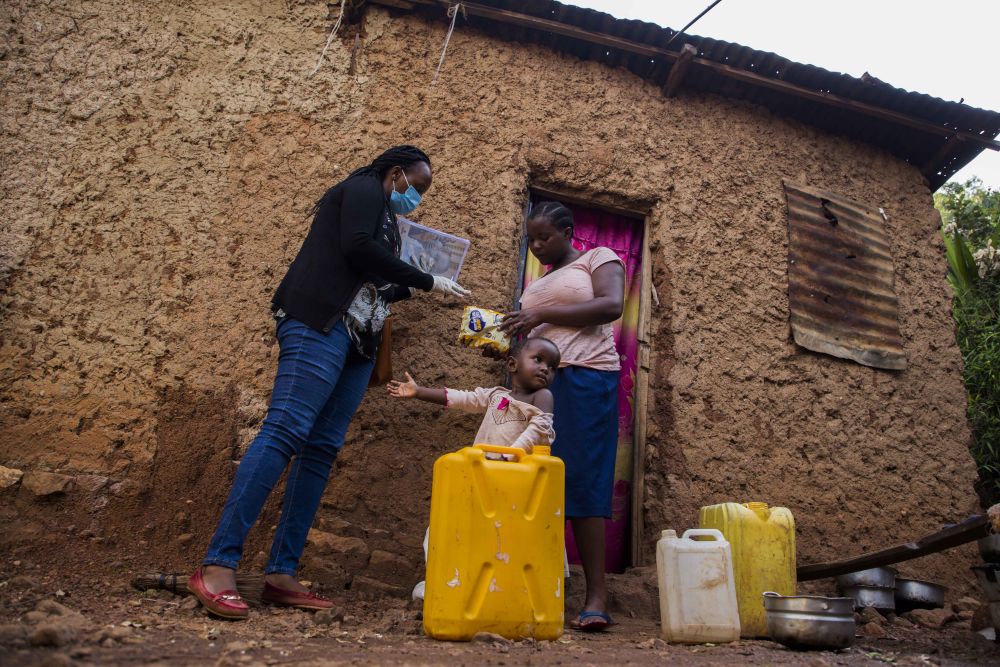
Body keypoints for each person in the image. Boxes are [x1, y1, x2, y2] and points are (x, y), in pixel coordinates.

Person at [188, 145, 470, 620]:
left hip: (359, 344)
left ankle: (281, 574)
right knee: (285, 430)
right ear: (396, 173)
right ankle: (217, 566)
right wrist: (425, 280)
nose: (417, 198)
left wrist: (432, 280)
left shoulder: (389, 220)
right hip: (321, 323)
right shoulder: (362, 188)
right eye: (416, 187)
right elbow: (356, 248)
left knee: (320, 450)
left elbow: (374, 280)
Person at [499, 201, 626, 632]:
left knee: (584, 479)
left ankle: (596, 597)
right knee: (535, 478)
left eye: (544, 237)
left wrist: (541, 313)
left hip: (588, 379)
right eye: (530, 240)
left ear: (568, 232)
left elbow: (611, 306)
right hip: (540, 388)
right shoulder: (541, 283)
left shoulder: (598, 259)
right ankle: (530, 587)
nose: (536, 247)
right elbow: (534, 332)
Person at [385, 336, 561, 453]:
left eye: (552, 367)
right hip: (485, 466)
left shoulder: (542, 396)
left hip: (518, 470)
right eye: (538, 359)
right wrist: (419, 392)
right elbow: (463, 399)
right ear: (512, 365)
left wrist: (511, 455)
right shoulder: (496, 395)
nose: (546, 369)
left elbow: (539, 431)